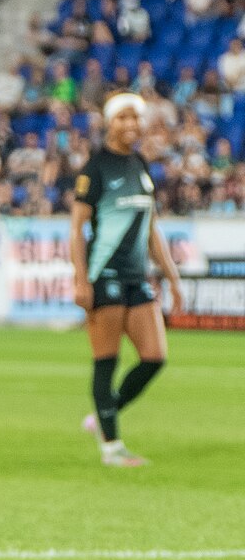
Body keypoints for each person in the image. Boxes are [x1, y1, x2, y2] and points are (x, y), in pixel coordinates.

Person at [72, 93, 184, 467]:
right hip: (104, 275)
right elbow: (76, 229)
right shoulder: (96, 168)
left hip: (138, 277)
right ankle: (112, 447)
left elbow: (151, 227)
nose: (131, 125)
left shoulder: (139, 163)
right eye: (123, 118)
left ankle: (105, 415)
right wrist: (80, 280)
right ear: (109, 123)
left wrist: (172, 276)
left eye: (135, 118)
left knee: (154, 357)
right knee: (107, 361)